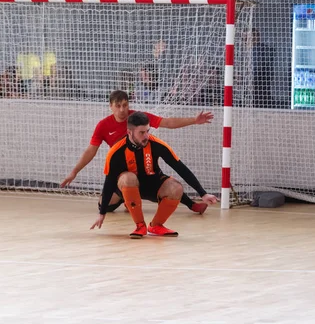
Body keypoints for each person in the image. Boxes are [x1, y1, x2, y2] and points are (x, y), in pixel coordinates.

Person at [61, 90, 214, 214]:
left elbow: (167, 122)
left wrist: (194, 120)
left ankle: (191, 204)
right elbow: (90, 151)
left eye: (125, 105)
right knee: (104, 206)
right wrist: (74, 171)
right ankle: (128, 199)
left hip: (147, 169)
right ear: (111, 106)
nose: (122, 110)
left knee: (171, 186)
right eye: (118, 105)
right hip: (124, 174)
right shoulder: (103, 126)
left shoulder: (138, 119)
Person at [90, 112, 218, 238]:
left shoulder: (157, 144)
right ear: (129, 132)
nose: (146, 136)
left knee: (176, 188)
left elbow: (181, 168)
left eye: (147, 131)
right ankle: (140, 226)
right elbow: (109, 182)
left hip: (151, 184)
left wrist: (203, 193)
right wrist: (102, 214)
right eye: (141, 132)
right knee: (128, 178)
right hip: (126, 187)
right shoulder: (116, 151)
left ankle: (156, 226)